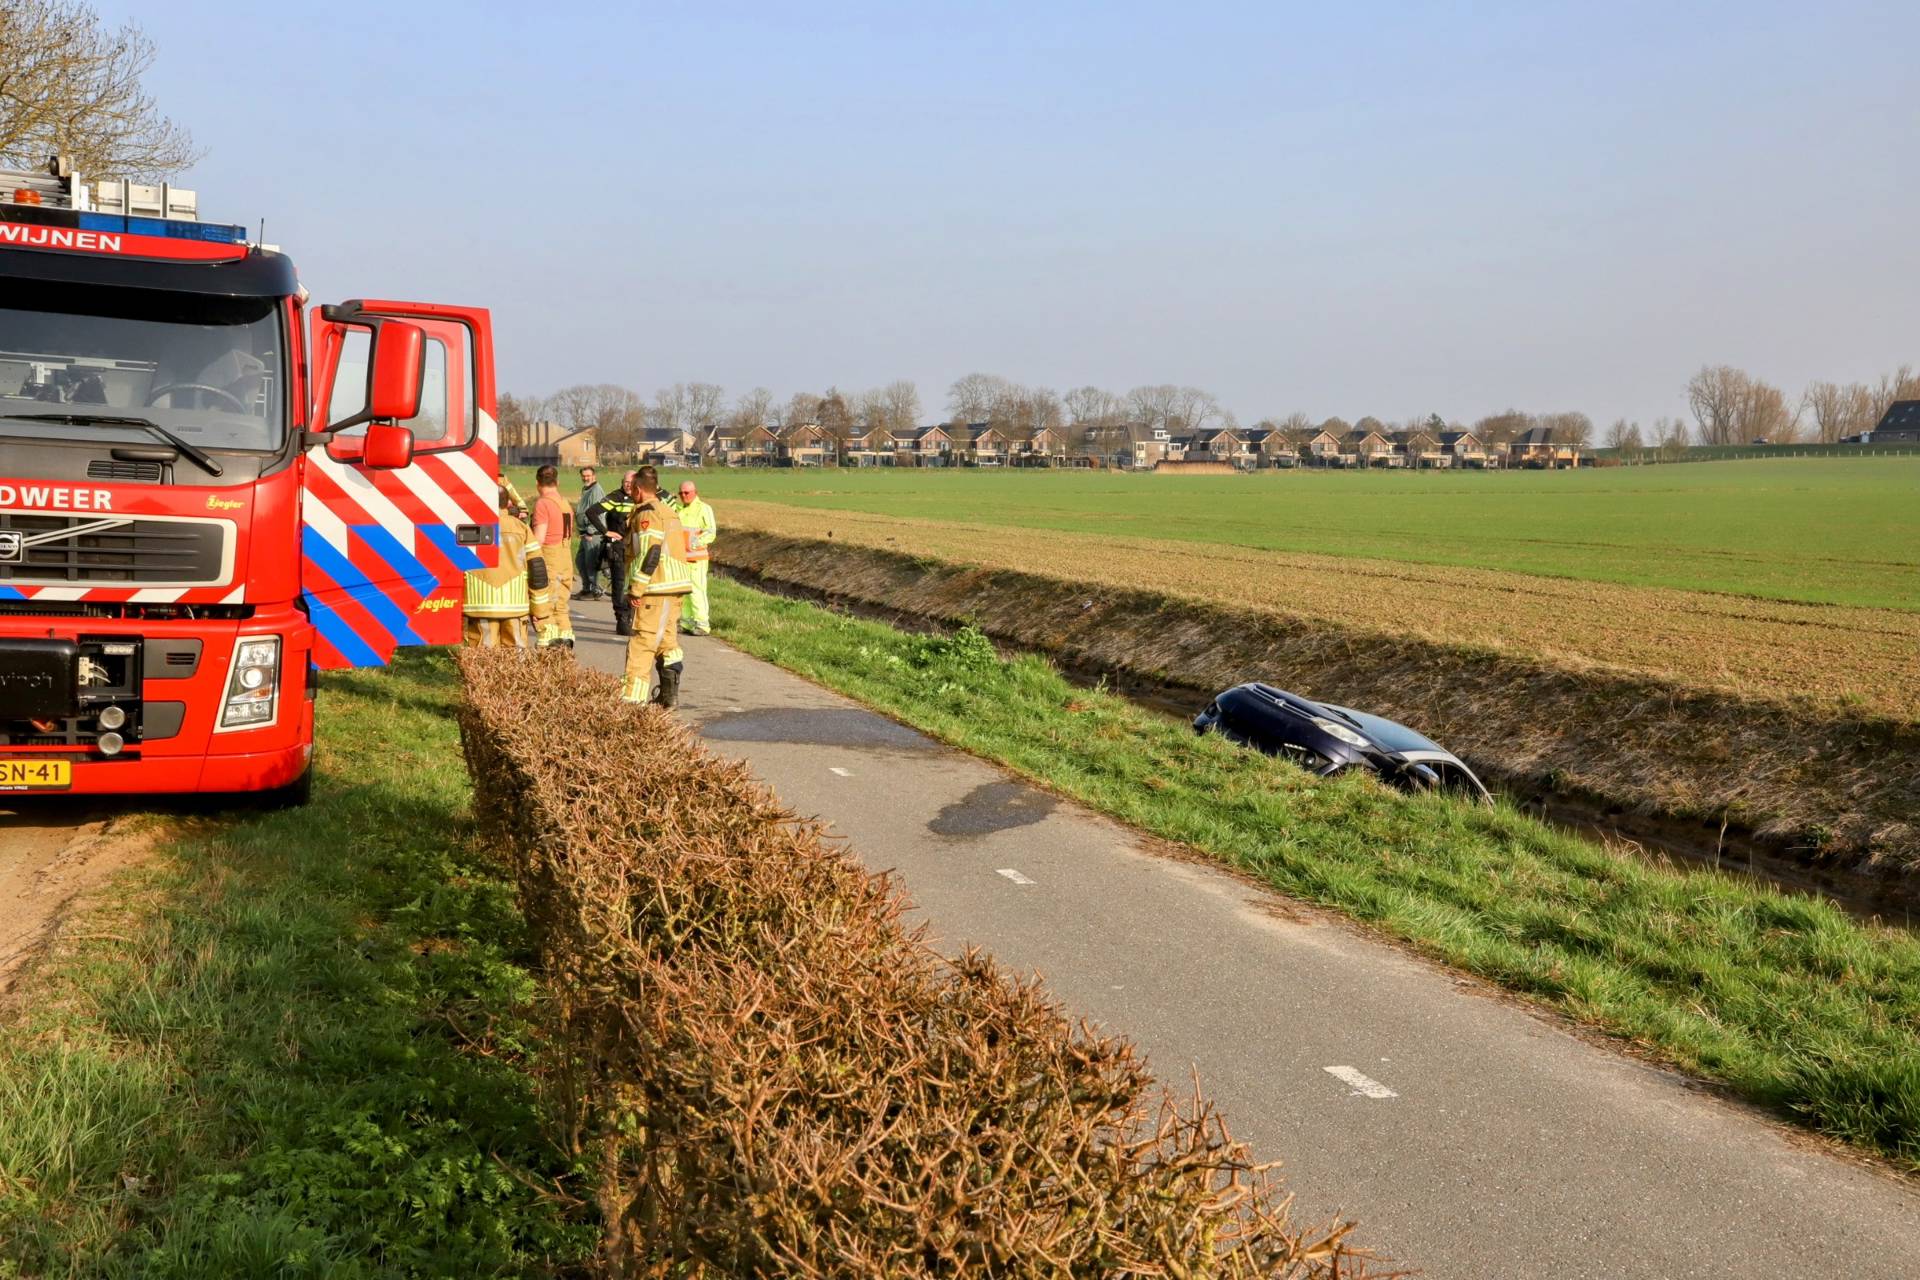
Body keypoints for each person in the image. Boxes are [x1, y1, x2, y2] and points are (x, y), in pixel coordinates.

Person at [620, 493, 693, 705]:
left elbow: (649, 552)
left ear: (638, 489)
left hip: (655, 588)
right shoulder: (670, 511)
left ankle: (631, 703)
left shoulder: (648, 514)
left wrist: (636, 587)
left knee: (641, 644)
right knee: (667, 643)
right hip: (674, 586)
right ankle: (668, 698)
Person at [462, 487, 535, 647]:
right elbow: (537, 569)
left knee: (482, 659)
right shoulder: (521, 528)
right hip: (515, 604)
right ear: (508, 503)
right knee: (515, 658)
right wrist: (540, 610)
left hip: (479, 603)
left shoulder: (469, 525)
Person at [530, 465, 575, 649]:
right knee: (561, 607)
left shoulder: (543, 504)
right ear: (557, 482)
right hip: (566, 558)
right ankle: (565, 648)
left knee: (546, 606)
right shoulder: (565, 504)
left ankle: (549, 649)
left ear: (537, 483)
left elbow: (539, 539)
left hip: (550, 559)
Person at [589, 470, 640, 636]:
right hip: (617, 547)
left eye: (631, 482)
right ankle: (622, 619)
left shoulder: (641, 498)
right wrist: (606, 531)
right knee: (619, 583)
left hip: (637, 548)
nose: (627, 485)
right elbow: (592, 512)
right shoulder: (615, 497)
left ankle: (635, 617)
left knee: (636, 583)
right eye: (625, 481)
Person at [669, 478, 717, 634]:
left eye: (686, 492)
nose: (683, 495)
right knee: (684, 592)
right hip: (681, 558)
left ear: (695, 492)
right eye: (681, 493)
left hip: (697, 558)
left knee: (697, 591)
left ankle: (702, 624)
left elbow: (710, 531)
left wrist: (694, 543)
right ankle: (687, 622)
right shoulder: (678, 508)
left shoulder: (704, 509)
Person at [573, 466, 607, 599]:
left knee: (590, 563)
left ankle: (594, 590)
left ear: (594, 476)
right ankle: (586, 588)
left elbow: (598, 512)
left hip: (592, 533)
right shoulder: (586, 489)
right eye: (584, 476)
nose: (586, 478)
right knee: (580, 561)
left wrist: (591, 531)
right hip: (585, 532)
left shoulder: (596, 491)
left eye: (588, 475)